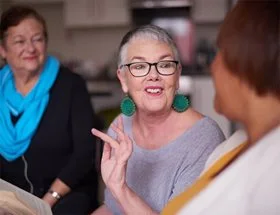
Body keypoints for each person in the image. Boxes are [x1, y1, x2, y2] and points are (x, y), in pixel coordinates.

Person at [91, 25, 225, 215]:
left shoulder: (204, 139)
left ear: (177, 75)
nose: (153, 75)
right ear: (123, 79)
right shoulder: (119, 126)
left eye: (164, 65)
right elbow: (112, 208)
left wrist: (120, 189)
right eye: (139, 66)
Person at [162, 0, 280, 214]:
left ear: (248, 60)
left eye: (221, 52)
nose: (212, 65)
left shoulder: (274, 170)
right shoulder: (236, 144)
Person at [0, 5, 99, 214]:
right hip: (10, 196)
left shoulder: (71, 84)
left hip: (64, 194)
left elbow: (84, 154)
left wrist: (47, 202)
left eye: (37, 39)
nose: (30, 48)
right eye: (19, 41)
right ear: (3, 49)